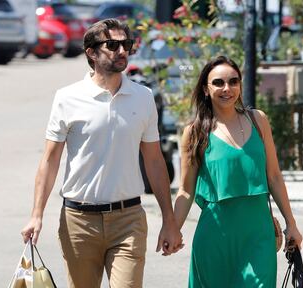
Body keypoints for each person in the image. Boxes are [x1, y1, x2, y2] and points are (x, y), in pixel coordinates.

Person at [21, 18, 183, 288]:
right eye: (113, 45)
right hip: (79, 222)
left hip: (128, 219)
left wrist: (169, 220)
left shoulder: (143, 97)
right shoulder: (67, 97)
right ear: (92, 52)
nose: (122, 51)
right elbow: (50, 161)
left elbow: (155, 161)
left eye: (126, 45)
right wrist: (36, 214)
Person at [173, 55, 303, 287]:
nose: (227, 88)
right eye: (218, 83)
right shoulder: (194, 133)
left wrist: (291, 223)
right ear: (205, 89)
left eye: (233, 81)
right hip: (214, 237)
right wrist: (172, 230)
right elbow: (185, 191)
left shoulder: (258, 120)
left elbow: (273, 176)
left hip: (258, 234)